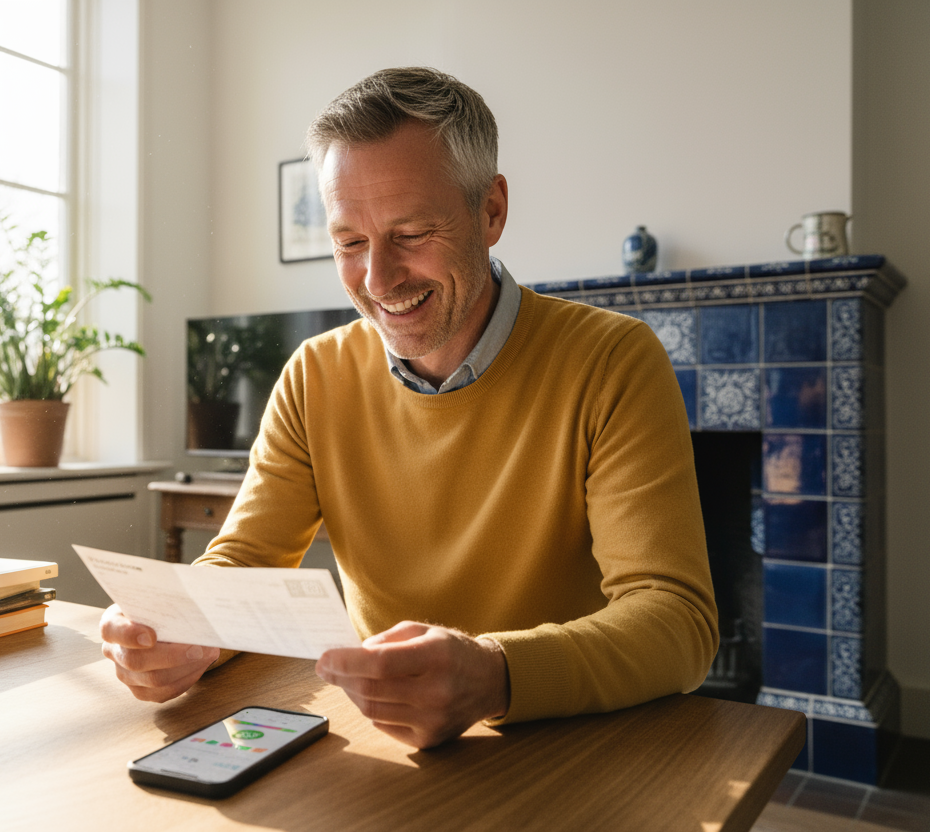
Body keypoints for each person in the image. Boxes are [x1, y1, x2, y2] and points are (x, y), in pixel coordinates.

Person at [100, 67, 718, 749]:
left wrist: (496, 674)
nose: (378, 279)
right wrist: (183, 629)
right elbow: (244, 562)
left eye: (413, 233)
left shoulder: (612, 360)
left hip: (567, 750)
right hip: (385, 745)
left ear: (491, 212)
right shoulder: (315, 374)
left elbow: (676, 619)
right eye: (349, 243)